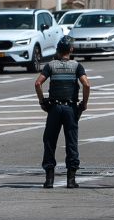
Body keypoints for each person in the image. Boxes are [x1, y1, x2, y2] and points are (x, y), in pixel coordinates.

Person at [34, 36, 90, 189]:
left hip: (54, 109)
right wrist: (83, 104)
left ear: (58, 50)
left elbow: (38, 83)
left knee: (49, 141)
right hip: (71, 109)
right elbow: (86, 84)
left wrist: (42, 102)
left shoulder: (51, 66)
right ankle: (71, 180)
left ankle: (49, 179)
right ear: (71, 50)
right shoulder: (77, 66)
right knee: (71, 142)